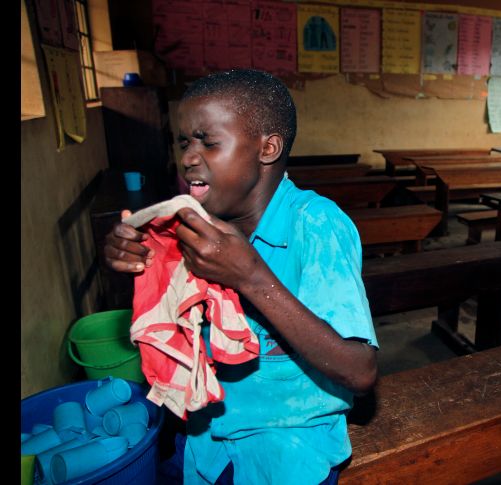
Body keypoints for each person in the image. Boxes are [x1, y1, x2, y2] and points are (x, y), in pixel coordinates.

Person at [104, 69, 379, 484]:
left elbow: (359, 371)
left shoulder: (316, 225)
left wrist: (250, 276)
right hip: (205, 437)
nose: (189, 157)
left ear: (267, 148)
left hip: (286, 449)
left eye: (208, 142)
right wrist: (138, 258)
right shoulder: (197, 226)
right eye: (183, 142)